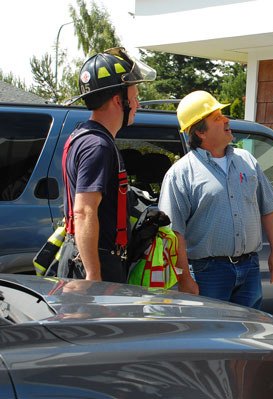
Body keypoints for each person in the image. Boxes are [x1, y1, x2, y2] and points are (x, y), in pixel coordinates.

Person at [61, 47, 198, 294]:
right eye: (134, 96)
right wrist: (93, 275)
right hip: (97, 263)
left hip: (89, 257)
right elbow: (83, 211)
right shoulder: (97, 146)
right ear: (118, 100)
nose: (137, 104)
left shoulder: (83, 137)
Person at [159, 90, 273, 309]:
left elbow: (269, 208)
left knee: (248, 337)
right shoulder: (181, 173)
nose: (226, 120)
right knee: (211, 338)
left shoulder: (247, 160)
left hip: (250, 268)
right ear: (200, 132)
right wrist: (184, 278)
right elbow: (173, 233)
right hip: (207, 273)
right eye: (217, 117)